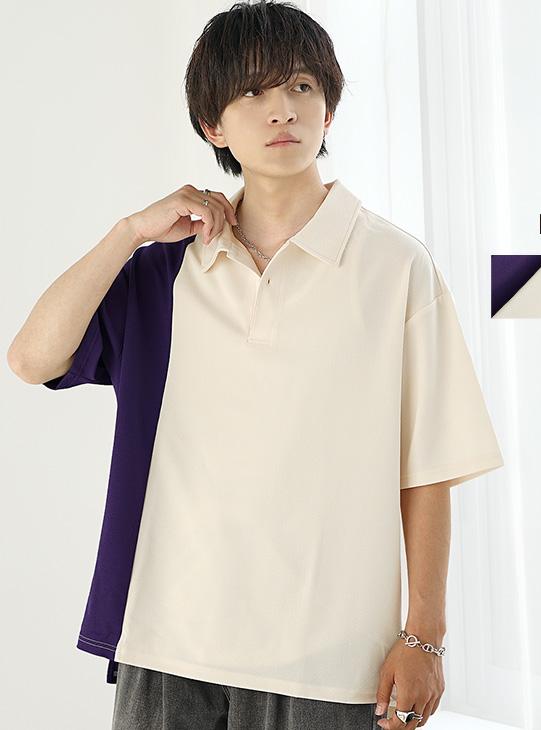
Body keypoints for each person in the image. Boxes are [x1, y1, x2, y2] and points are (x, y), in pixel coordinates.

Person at [6, 1, 504, 728]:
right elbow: (30, 358)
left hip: (329, 660)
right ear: (212, 125)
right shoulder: (167, 273)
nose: (283, 110)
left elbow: (429, 465)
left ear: (329, 109)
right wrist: (130, 232)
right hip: (168, 643)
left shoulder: (394, 267)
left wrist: (425, 635)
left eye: (302, 86)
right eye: (252, 91)